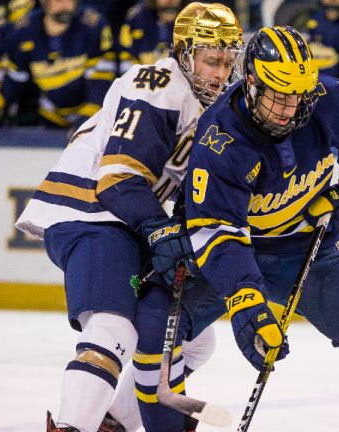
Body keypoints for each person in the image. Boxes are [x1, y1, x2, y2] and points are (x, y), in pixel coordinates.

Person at [133, 25, 339, 432]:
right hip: (231, 251)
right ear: (252, 81)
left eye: (298, 94)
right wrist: (246, 303)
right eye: (279, 94)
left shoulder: (325, 101)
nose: (291, 109)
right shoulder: (220, 139)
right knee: (154, 324)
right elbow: (216, 233)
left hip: (306, 249)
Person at [13, 3, 244, 431]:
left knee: (194, 342)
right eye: (212, 59)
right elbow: (118, 179)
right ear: (184, 53)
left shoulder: (212, 106)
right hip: (90, 211)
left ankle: (112, 422)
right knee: (111, 329)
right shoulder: (157, 84)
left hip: (128, 220)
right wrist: (158, 228)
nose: (220, 72)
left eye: (228, 62)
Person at [0, 0, 115, 128]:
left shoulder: (93, 25)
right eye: (59, 0)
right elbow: (16, 76)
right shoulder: (24, 30)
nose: (65, 5)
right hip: (50, 116)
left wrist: (91, 114)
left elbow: (102, 78)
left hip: (94, 117)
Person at [118, 0, 186, 74]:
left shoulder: (196, 17)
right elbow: (126, 60)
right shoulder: (138, 18)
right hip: (143, 79)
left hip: (182, 80)